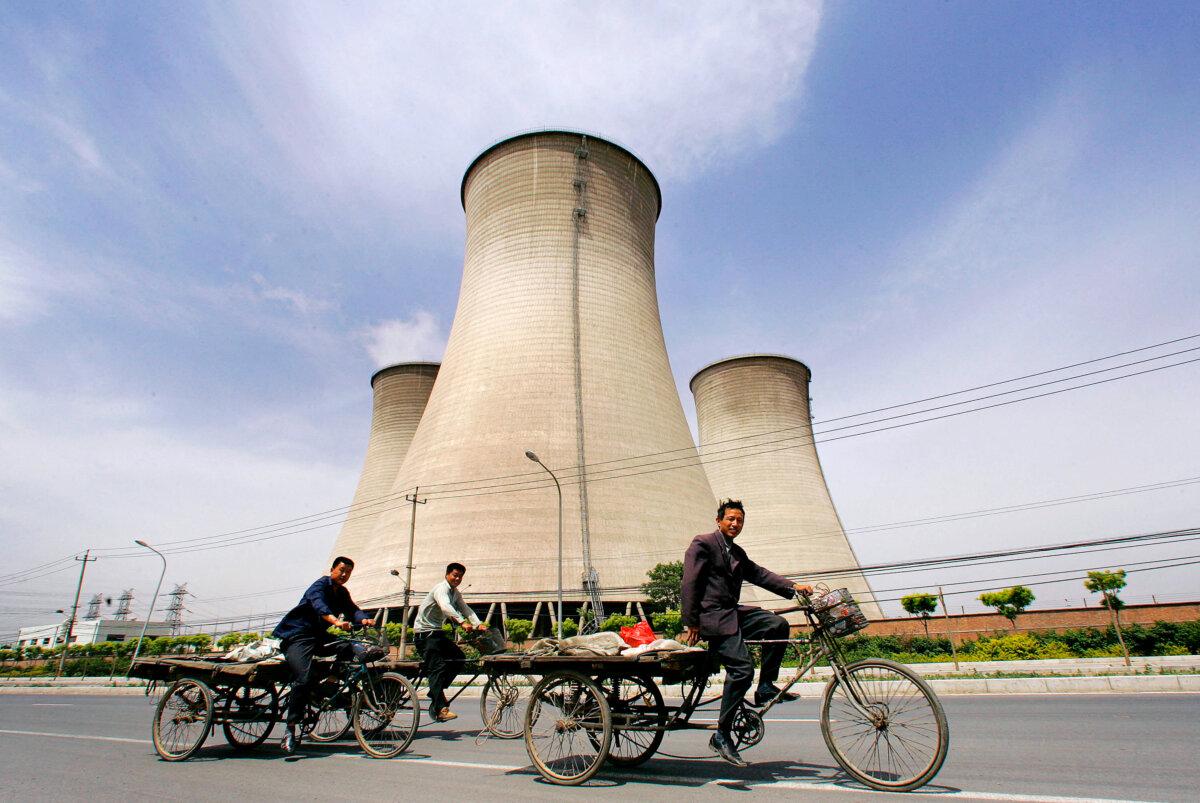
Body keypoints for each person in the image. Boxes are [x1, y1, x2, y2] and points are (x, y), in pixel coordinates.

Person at [681, 499, 812, 767]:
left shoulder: (737, 552)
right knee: (742, 671)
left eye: (739, 520)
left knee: (776, 625)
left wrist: (794, 587)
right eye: (730, 519)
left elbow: (759, 574)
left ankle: (765, 687)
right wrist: (691, 622)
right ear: (718, 520)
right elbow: (690, 582)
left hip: (733, 613)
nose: (735, 524)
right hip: (713, 618)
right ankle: (721, 734)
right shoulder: (703, 543)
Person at [272, 556, 374, 754]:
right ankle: (290, 729)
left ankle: (330, 684)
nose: (344, 575)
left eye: (348, 572)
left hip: (318, 637)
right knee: (303, 678)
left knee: (346, 646)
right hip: (298, 636)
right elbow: (319, 606)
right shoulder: (319, 586)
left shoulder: (342, 592)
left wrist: (364, 620)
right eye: (341, 570)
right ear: (333, 569)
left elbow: (353, 610)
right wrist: (335, 622)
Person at [413, 562, 488, 722]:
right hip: (424, 634)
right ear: (447, 574)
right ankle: (440, 708)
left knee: (459, 658)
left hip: (437, 633)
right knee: (437, 667)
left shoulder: (455, 593)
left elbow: (465, 608)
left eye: (460, 576)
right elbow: (446, 607)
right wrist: (462, 622)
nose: (457, 578)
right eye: (455, 575)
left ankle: (436, 690)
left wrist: (477, 623)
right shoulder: (441, 589)